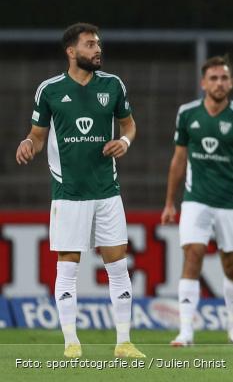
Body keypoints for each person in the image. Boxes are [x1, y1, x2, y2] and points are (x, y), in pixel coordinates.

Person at [15, 23, 145, 359]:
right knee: (68, 266)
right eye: (90, 44)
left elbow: (129, 124)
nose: (97, 49)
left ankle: (124, 343)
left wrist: (125, 141)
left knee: (118, 266)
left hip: (107, 191)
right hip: (69, 193)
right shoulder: (50, 90)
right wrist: (29, 143)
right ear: (71, 51)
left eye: (98, 44)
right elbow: (38, 135)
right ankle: (72, 342)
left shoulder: (113, 85)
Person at [161, 56, 233, 347]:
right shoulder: (187, 114)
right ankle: (186, 331)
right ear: (203, 83)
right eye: (214, 78)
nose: (219, 83)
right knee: (192, 255)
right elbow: (178, 160)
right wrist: (170, 202)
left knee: (232, 266)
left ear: (231, 83)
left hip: (231, 202)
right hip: (196, 200)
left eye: (224, 78)